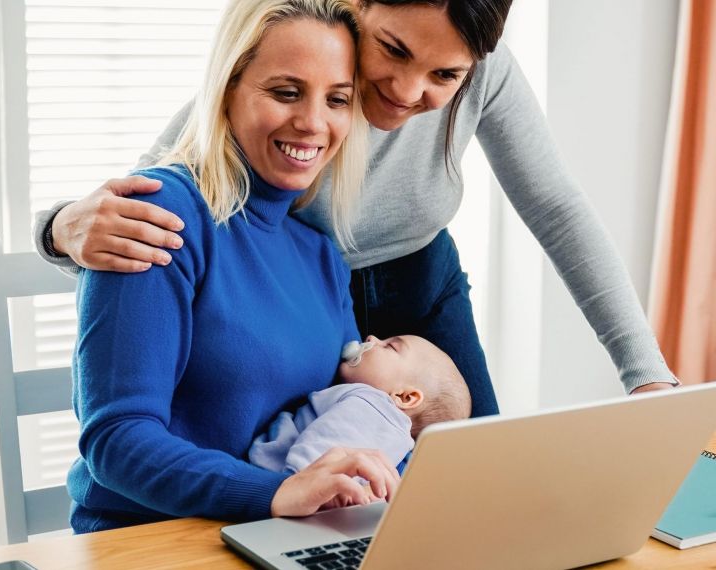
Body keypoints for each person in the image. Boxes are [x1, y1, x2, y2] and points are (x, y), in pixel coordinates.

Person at [37, 0, 679, 422]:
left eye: (443, 75)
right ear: (357, 8)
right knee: (307, 488)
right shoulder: (305, 53)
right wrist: (60, 229)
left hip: (422, 290)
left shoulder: (483, 69)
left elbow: (557, 208)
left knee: (474, 486)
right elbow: (161, 186)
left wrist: (646, 375)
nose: (406, 93)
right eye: (394, 51)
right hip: (297, 305)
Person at [69, 0, 402, 534]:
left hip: (278, 534)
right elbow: (116, 441)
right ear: (226, 92)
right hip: (153, 539)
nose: (313, 123)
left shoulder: (321, 255)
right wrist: (275, 494)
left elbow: (342, 412)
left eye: (337, 99)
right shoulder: (160, 216)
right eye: (286, 92)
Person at [249, 334, 471, 477]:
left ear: (404, 397)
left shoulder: (371, 406)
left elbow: (316, 465)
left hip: (277, 481)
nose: (372, 338)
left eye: (390, 347)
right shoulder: (399, 444)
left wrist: (291, 485)